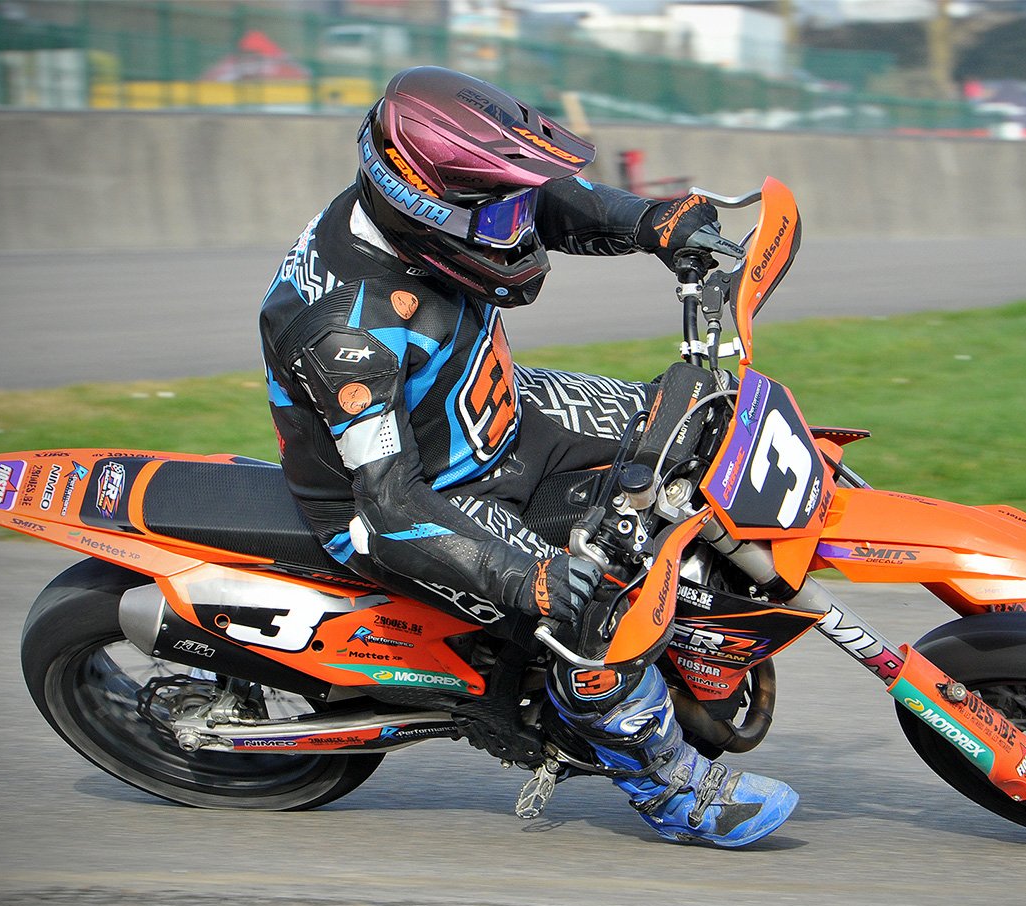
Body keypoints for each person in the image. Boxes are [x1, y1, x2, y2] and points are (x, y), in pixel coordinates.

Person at [259, 66, 796, 847]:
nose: (519, 227)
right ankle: (671, 791)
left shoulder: (429, 215)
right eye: (500, 212)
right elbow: (392, 504)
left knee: (696, 427)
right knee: (595, 613)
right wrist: (530, 579)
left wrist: (651, 221)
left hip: (495, 412)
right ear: (427, 210)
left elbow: (539, 203)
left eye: (513, 204)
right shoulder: (346, 332)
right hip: (417, 496)